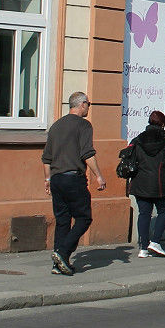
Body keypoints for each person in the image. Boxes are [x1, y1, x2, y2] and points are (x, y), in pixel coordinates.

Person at [41, 91, 106, 276]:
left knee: (62, 221)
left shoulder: (56, 126)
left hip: (56, 179)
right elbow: (88, 154)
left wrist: (47, 179)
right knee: (84, 218)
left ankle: (58, 264)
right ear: (82, 104)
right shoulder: (84, 125)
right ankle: (62, 253)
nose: (88, 108)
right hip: (73, 179)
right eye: (89, 104)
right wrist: (99, 176)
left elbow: (46, 158)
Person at [127, 110, 165, 258]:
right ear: (163, 124)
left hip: (140, 183)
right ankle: (155, 241)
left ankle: (143, 248)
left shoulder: (138, 139)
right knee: (164, 211)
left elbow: (129, 159)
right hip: (160, 184)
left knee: (144, 214)